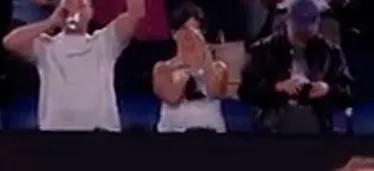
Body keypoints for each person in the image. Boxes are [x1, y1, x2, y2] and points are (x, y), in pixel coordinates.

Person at [2, 0, 145, 131]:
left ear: (90, 12)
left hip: (101, 135)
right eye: (69, 7)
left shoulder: (105, 41)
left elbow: (136, 14)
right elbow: (10, 42)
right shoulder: (46, 46)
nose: (75, 12)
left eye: (81, 6)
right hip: (56, 136)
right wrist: (50, 22)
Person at [239, 0, 352, 134]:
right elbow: (246, 91)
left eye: (309, 28)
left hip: (318, 121)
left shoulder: (331, 53)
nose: (304, 34)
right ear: (287, 21)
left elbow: (349, 91)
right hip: (273, 123)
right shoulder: (262, 50)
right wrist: (276, 87)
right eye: (299, 29)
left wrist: (328, 89)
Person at [152, 2, 228, 133]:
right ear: (174, 33)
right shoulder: (162, 69)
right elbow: (171, 97)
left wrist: (204, 55)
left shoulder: (218, 67)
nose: (189, 36)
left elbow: (214, 91)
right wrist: (185, 62)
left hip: (211, 137)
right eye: (184, 29)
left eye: (194, 29)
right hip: (173, 137)